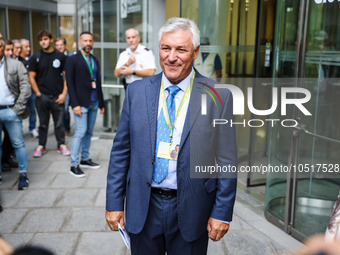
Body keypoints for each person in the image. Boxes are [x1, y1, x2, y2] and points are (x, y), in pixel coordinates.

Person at [106, 17, 237, 255]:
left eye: (181, 49)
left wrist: (222, 212)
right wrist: (114, 203)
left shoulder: (219, 96)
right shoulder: (137, 92)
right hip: (143, 207)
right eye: (166, 48)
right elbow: (121, 152)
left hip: (193, 208)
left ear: (196, 52)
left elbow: (228, 160)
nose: (171, 56)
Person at [65, 31, 105, 177]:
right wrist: (74, 104)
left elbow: (98, 82)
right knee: (80, 132)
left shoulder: (94, 59)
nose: (88, 43)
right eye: (85, 40)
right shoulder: (72, 60)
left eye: (90, 40)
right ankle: (73, 164)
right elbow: (70, 83)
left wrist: (101, 102)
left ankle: (85, 159)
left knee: (88, 132)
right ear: (80, 42)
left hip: (94, 101)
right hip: (81, 103)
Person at [28, 30, 70, 158]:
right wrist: (38, 93)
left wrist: (64, 94)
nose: (43, 42)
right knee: (43, 123)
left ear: (51, 40)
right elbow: (31, 77)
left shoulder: (61, 56)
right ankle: (41, 145)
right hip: (42, 96)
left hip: (57, 96)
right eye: (41, 40)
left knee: (59, 123)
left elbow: (67, 77)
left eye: (45, 39)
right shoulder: (36, 57)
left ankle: (61, 144)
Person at [0, 38, 31, 190]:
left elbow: (26, 88)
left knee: (18, 143)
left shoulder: (15, 64)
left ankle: (23, 175)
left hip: (11, 110)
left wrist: (16, 110)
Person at [1, 40, 18, 172]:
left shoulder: (16, 64)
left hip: (12, 108)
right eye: (7, 50)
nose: (10, 52)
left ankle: (7, 158)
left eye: (11, 50)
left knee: (11, 138)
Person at [18, 39, 38, 138]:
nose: (29, 49)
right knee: (20, 111)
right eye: (26, 47)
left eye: (29, 46)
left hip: (32, 90)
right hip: (21, 91)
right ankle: (19, 130)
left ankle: (33, 128)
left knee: (32, 110)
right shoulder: (17, 60)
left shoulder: (32, 59)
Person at [55, 37, 73, 136]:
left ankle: (66, 128)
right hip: (58, 86)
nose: (59, 47)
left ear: (65, 45)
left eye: (61, 45)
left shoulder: (71, 56)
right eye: (57, 45)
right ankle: (60, 128)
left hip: (68, 86)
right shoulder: (54, 56)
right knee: (59, 109)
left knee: (65, 109)